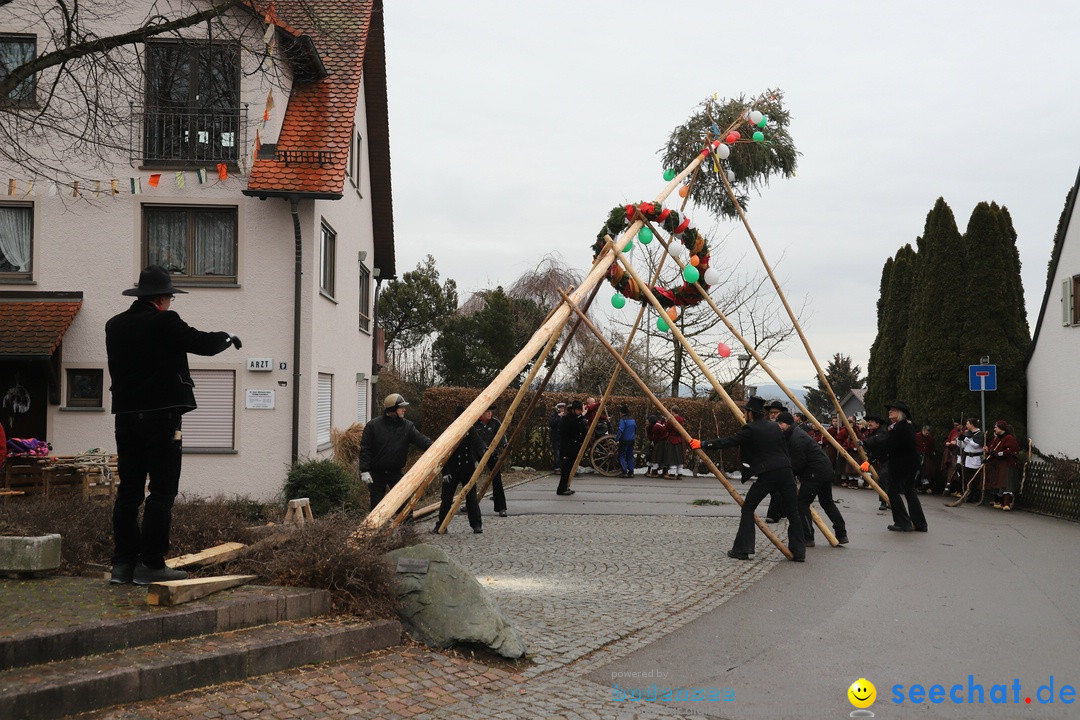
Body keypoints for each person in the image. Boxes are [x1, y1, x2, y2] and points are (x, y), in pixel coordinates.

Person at [105, 265, 240, 585]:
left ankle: (122, 564)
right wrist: (228, 338)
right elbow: (202, 343)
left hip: (125, 418)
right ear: (163, 299)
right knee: (162, 492)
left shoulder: (115, 325)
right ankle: (150, 564)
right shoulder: (165, 321)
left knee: (129, 493)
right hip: (161, 419)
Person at [691, 396, 806, 562]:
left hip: (769, 474)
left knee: (748, 508)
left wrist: (703, 444)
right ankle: (799, 553)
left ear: (751, 414)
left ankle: (742, 549)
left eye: (745, 412)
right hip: (786, 472)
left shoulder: (751, 429)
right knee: (793, 512)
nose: (744, 415)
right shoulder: (775, 427)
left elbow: (729, 441)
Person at [776, 412, 849, 546]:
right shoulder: (795, 434)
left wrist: (787, 475)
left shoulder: (796, 438)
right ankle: (841, 533)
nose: (779, 426)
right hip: (824, 470)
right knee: (827, 502)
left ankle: (808, 537)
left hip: (815, 473)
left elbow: (798, 462)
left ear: (788, 423)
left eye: (781, 423)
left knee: (802, 504)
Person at [358, 393, 433, 510]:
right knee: (376, 507)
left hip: (396, 473)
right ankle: (374, 528)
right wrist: (364, 470)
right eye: (401, 407)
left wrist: (437, 446)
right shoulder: (373, 426)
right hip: (376, 475)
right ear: (393, 409)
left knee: (404, 506)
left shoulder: (407, 427)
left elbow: (423, 441)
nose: (404, 409)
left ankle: (406, 528)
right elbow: (365, 449)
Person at [873, 401, 927, 533]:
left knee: (892, 491)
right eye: (890, 410)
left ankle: (903, 522)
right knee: (909, 492)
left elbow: (888, 445)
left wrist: (870, 460)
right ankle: (920, 523)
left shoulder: (900, 428)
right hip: (910, 464)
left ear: (900, 413)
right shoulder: (906, 426)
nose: (890, 412)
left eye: (893, 410)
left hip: (902, 465)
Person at [435, 406, 484, 534]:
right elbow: (442, 454)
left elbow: (479, 445)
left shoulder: (470, 429)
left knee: (472, 498)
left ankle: (476, 524)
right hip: (452, 470)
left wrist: (479, 458)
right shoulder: (449, 431)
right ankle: (441, 525)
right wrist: (445, 472)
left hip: (468, 470)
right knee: (446, 499)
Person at [475, 406, 508, 516]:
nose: (489, 414)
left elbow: (501, 434)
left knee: (496, 478)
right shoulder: (475, 423)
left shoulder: (495, 422)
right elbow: (474, 439)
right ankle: (470, 504)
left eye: (491, 411)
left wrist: (504, 444)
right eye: (487, 411)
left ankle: (501, 507)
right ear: (481, 413)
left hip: (492, 453)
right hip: (477, 454)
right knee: (470, 478)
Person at [984, 420, 1020, 510]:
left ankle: (1007, 503)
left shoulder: (1009, 438)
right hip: (999, 464)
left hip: (1007, 464)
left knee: (1007, 483)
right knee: (1000, 483)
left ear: (1001, 428)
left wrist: (998, 454)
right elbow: (993, 451)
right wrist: (988, 457)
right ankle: (999, 501)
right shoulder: (998, 439)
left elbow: (1009, 451)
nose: (994, 428)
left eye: (996, 427)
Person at [557, 400, 589, 495]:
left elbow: (581, 430)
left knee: (570, 469)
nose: (580, 412)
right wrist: (581, 416)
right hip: (567, 448)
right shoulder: (567, 418)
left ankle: (566, 487)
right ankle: (561, 489)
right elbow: (572, 425)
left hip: (574, 447)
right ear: (574, 410)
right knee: (566, 470)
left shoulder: (577, 419)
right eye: (578, 410)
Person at [861, 415, 890, 513]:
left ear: (877, 424)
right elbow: (871, 448)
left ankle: (884, 502)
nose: (869, 423)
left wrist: (864, 442)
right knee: (886, 481)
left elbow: (876, 440)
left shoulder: (882, 432)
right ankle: (889, 500)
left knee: (883, 477)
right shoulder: (870, 434)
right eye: (868, 421)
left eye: (872, 421)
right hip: (881, 459)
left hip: (890, 459)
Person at [660, 406, 687, 478]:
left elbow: (666, 428)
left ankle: (672, 473)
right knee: (679, 457)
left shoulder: (672, 419)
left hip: (672, 439)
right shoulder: (681, 419)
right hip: (679, 439)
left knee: (672, 457)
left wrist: (666, 422)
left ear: (673, 411)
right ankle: (680, 473)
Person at [941, 418, 964, 495]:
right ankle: (954, 489)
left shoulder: (964, 432)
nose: (955, 427)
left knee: (957, 471)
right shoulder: (953, 431)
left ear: (961, 425)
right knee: (950, 471)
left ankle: (960, 490)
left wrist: (956, 442)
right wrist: (947, 442)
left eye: (957, 425)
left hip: (959, 454)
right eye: (954, 425)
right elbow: (948, 439)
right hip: (950, 454)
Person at [615, 404, 637, 478]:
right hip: (632, 440)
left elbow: (620, 430)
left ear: (621, 413)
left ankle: (624, 471)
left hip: (624, 440)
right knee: (630, 456)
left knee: (621, 456)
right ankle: (631, 472)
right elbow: (635, 428)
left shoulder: (622, 420)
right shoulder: (632, 420)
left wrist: (616, 439)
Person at [915, 425, 936, 493]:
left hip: (926, 456)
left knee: (925, 471)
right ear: (923, 430)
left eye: (928, 433)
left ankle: (926, 487)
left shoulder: (930, 438)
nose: (927, 434)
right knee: (917, 472)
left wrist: (932, 452)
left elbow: (932, 447)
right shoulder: (916, 436)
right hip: (917, 456)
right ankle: (915, 487)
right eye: (926, 433)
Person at [548, 402, 566, 472]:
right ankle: (557, 466)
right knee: (557, 452)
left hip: (562, 437)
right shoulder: (554, 415)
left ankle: (562, 466)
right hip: (555, 436)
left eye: (563, 408)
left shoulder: (565, 416)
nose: (562, 410)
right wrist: (559, 417)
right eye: (561, 408)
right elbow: (552, 423)